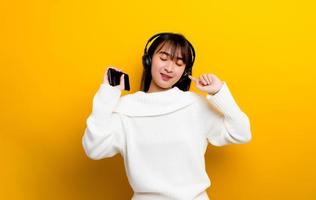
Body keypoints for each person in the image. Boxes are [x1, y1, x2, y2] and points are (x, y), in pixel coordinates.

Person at [82, 32, 252, 200]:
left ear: (185, 71)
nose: (169, 68)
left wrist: (219, 91)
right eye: (163, 58)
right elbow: (94, 149)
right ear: (148, 60)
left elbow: (241, 133)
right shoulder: (126, 108)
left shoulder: (195, 104)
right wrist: (107, 95)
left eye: (179, 63)